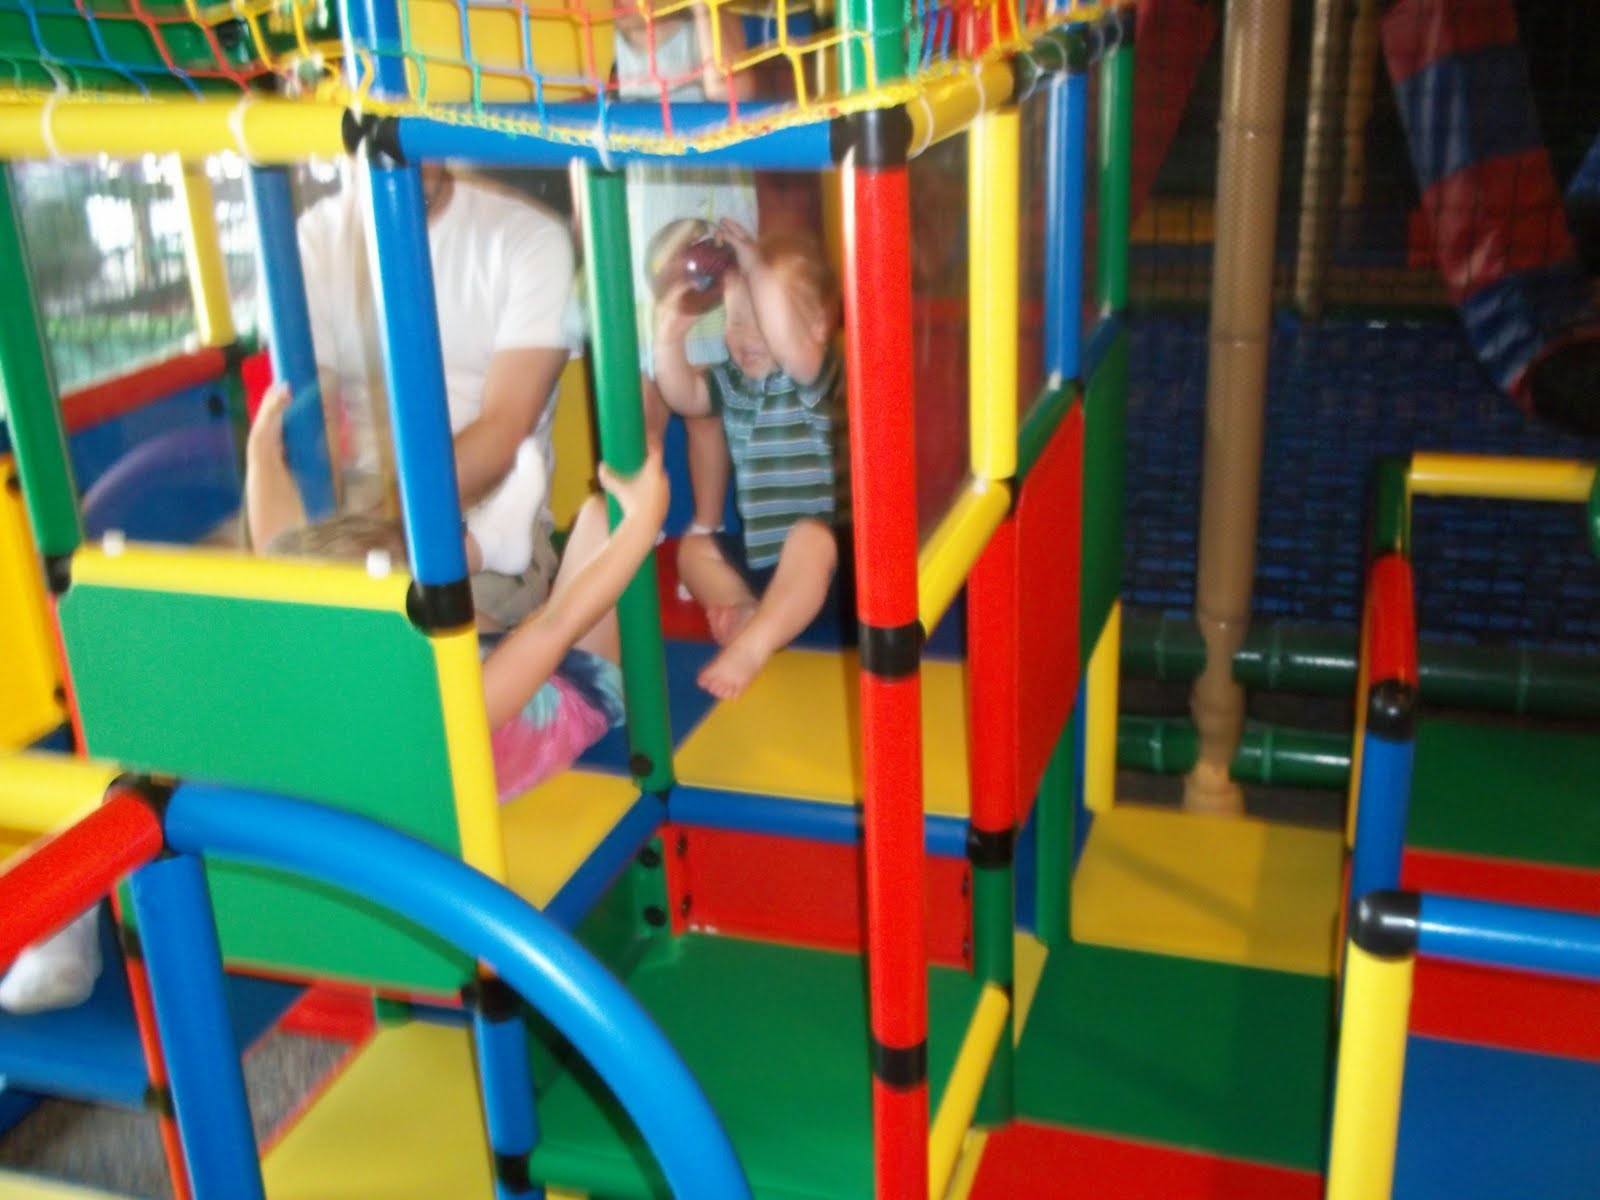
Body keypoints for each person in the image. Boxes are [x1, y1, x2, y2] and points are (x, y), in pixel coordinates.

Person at [247, 384, 669, 800]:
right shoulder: (447, 712)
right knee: (603, 518)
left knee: (422, 595)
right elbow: (556, 625)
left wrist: (261, 453)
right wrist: (641, 523)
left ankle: (491, 542)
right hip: (570, 687)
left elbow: (275, 567)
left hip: (489, 657)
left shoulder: (336, 681)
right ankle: (489, 543)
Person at [293, 162, 580, 625]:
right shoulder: (316, 239)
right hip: (358, 509)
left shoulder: (528, 238)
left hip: (477, 508)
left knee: (418, 628)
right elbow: (309, 423)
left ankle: (488, 548)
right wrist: (325, 533)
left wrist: (380, 526)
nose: (406, 158)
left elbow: (503, 430)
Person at [654, 218, 849, 700]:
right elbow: (684, 398)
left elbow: (789, 343)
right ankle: (744, 609)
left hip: (831, 573)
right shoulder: (736, 384)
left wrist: (756, 266)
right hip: (764, 563)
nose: (745, 333)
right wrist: (668, 340)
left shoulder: (814, 377)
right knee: (693, 551)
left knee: (810, 537)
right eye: (736, 318)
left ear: (817, 327)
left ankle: (754, 645)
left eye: (761, 317)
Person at [614, 1, 758, 539]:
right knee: (641, 407)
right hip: (643, 242)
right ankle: (640, 531)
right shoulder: (608, 41)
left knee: (704, 409)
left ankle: (706, 529)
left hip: (703, 238)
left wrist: (702, 13)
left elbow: (733, 92)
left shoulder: (713, 27)